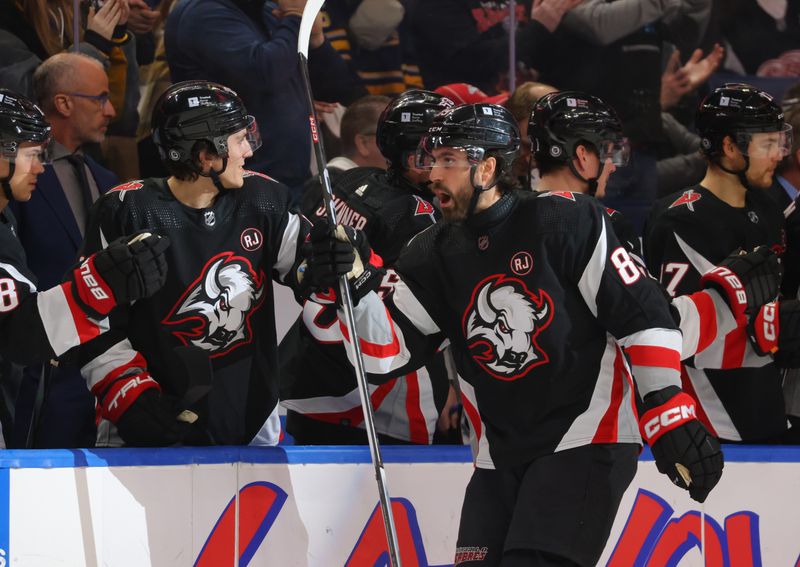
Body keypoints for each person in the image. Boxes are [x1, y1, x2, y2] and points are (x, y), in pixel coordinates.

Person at [307, 103, 725, 566]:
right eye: (432, 159)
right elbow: (382, 352)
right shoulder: (432, 250)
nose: (433, 176)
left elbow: (643, 314)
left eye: (448, 160)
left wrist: (667, 406)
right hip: (497, 453)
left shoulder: (565, 220)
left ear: (487, 167)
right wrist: (354, 284)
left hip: (583, 438)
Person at [78, 80, 314, 447]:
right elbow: (92, 319)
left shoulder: (263, 200)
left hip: (251, 423)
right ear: (205, 155)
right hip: (148, 422)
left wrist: (335, 260)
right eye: (238, 140)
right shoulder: (125, 211)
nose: (248, 151)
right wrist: (130, 396)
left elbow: (308, 273)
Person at [280, 89, 458, 444]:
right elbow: (409, 318)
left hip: (310, 379)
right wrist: (447, 382)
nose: (441, 167)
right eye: (434, 157)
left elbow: (301, 269)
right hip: (380, 402)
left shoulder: (346, 182)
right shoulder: (420, 219)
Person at [0, 88, 169, 447]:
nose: (40, 167)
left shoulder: (5, 221)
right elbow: (18, 336)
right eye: (31, 155)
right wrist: (97, 284)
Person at [645, 83, 795, 443]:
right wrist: (767, 327)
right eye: (768, 144)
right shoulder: (679, 218)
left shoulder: (769, 206)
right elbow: (670, 334)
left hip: (766, 405)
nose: (779, 154)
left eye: (780, 142)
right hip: (710, 417)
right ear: (730, 147)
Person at [8, 52, 121, 448]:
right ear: (64, 103)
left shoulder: (108, 180)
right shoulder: (17, 183)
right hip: (33, 374)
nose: (111, 110)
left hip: (102, 371)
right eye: (101, 98)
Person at [165, 0, 366, 194]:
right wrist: (295, 17)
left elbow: (336, 90)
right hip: (231, 182)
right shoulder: (203, 13)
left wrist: (315, 39)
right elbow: (263, 74)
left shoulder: (270, 13)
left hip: (287, 178)